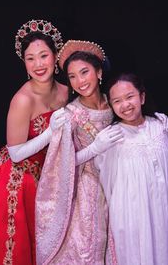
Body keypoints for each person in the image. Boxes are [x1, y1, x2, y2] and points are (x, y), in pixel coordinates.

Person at [0, 19, 68, 265]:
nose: (38, 64)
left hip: (48, 176)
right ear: (24, 64)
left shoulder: (66, 91)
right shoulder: (22, 99)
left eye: (44, 56)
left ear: (55, 57)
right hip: (17, 179)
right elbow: (16, 154)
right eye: (31, 59)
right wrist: (49, 133)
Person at [35, 40, 124, 265]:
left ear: (99, 72)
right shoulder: (70, 114)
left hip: (118, 182)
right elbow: (61, 165)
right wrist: (95, 148)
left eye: (84, 72)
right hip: (86, 189)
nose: (79, 81)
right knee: (87, 247)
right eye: (72, 76)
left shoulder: (113, 103)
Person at [94, 72, 168, 265]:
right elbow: (106, 178)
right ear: (111, 105)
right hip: (133, 214)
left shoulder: (160, 126)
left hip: (165, 209)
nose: (125, 105)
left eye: (130, 97)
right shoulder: (112, 137)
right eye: (117, 101)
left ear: (142, 97)